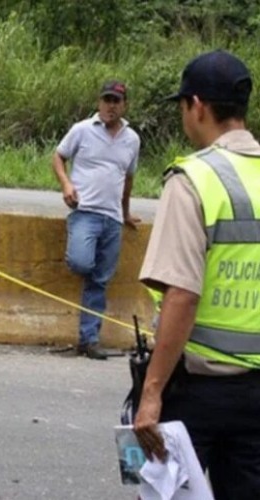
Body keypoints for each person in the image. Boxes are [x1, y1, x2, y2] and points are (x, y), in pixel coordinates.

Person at [134, 50, 260, 498]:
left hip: (198, 391)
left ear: (198, 105)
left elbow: (181, 295)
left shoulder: (193, 179)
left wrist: (152, 393)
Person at [52, 80, 141, 360]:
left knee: (100, 281)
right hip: (85, 212)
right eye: (106, 100)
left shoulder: (132, 139)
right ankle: (88, 336)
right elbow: (58, 156)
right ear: (99, 102)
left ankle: (89, 340)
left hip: (112, 218)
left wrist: (125, 212)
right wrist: (66, 185)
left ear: (124, 105)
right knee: (82, 262)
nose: (110, 106)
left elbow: (128, 179)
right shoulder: (82, 130)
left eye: (116, 101)